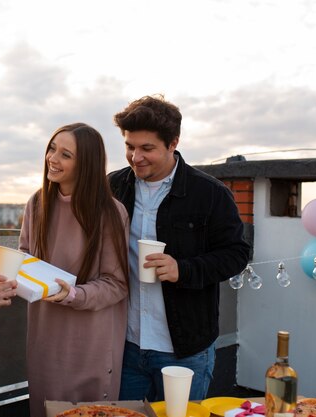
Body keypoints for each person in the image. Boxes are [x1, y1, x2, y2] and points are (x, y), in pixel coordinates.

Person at [108, 95, 251, 401]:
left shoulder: (210, 193)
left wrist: (181, 269)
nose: (136, 157)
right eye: (130, 147)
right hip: (125, 347)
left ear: (173, 143)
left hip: (185, 353)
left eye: (147, 148)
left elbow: (237, 254)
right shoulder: (113, 187)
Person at [19, 123, 130, 417]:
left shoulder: (111, 213)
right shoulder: (37, 203)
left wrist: (75, 294)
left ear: (86, 165)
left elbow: (116, 284)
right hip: (44, 339)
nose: (52, 159)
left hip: (91, 344)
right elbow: (25, 256)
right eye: (52, 149)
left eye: (65, 154)